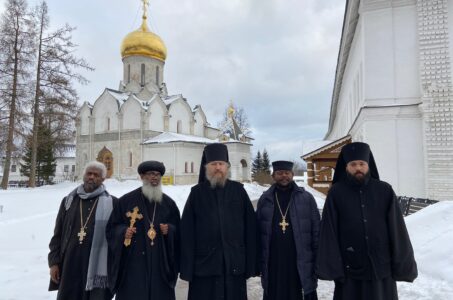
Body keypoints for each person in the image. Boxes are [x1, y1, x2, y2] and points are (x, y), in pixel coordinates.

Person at [316, 142, 418, 300]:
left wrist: (402, 264)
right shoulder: (336, 193)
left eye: (362, 164)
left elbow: (397, 229)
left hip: (381, 266)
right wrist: (332, 267)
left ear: (368, 165)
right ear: (346, 166)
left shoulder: (384, 190)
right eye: (353, 164)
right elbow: (329, 231)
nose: (358, 168)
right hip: (349, 267)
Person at [180, 143, 258, 300]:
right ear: (206, 168)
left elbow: (251, 229)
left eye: (221, 164)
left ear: (227, 167)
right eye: (213, 164)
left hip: (234, 264)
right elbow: (186, 232)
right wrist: (187, 269)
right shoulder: (196, 194)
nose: (217, 168)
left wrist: (251, 265)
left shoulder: (239, 191)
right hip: (204, 266)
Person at [106, 160, 180, 300]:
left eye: (158, 175)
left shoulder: (168, 204)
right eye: (151, 174)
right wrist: (123, 232)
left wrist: (169, 230)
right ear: (142, 176)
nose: (155, 177)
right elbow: (112, 228)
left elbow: (179, 230)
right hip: (133, 264)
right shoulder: (126, 201)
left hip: (160, 264)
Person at [48, 161, 117, 300]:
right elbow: (58, 234)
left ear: (103, 179)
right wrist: (54, 262)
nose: (91, 177)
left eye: (96, 175)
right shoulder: (69, 201)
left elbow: (117, 237)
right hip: (69, 263)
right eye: (89, 173)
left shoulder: (113, 203)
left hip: (98, 265)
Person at [257, 160, 320, 300]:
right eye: (279, 173)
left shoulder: (306, 198)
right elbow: (258, 231)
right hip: (274, 261)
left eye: (287, 173)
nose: (283, 176)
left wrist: (318, 260)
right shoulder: (265, 199)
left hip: (300, 259)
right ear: (273, 176)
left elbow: (316, 231)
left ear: (292, 174)